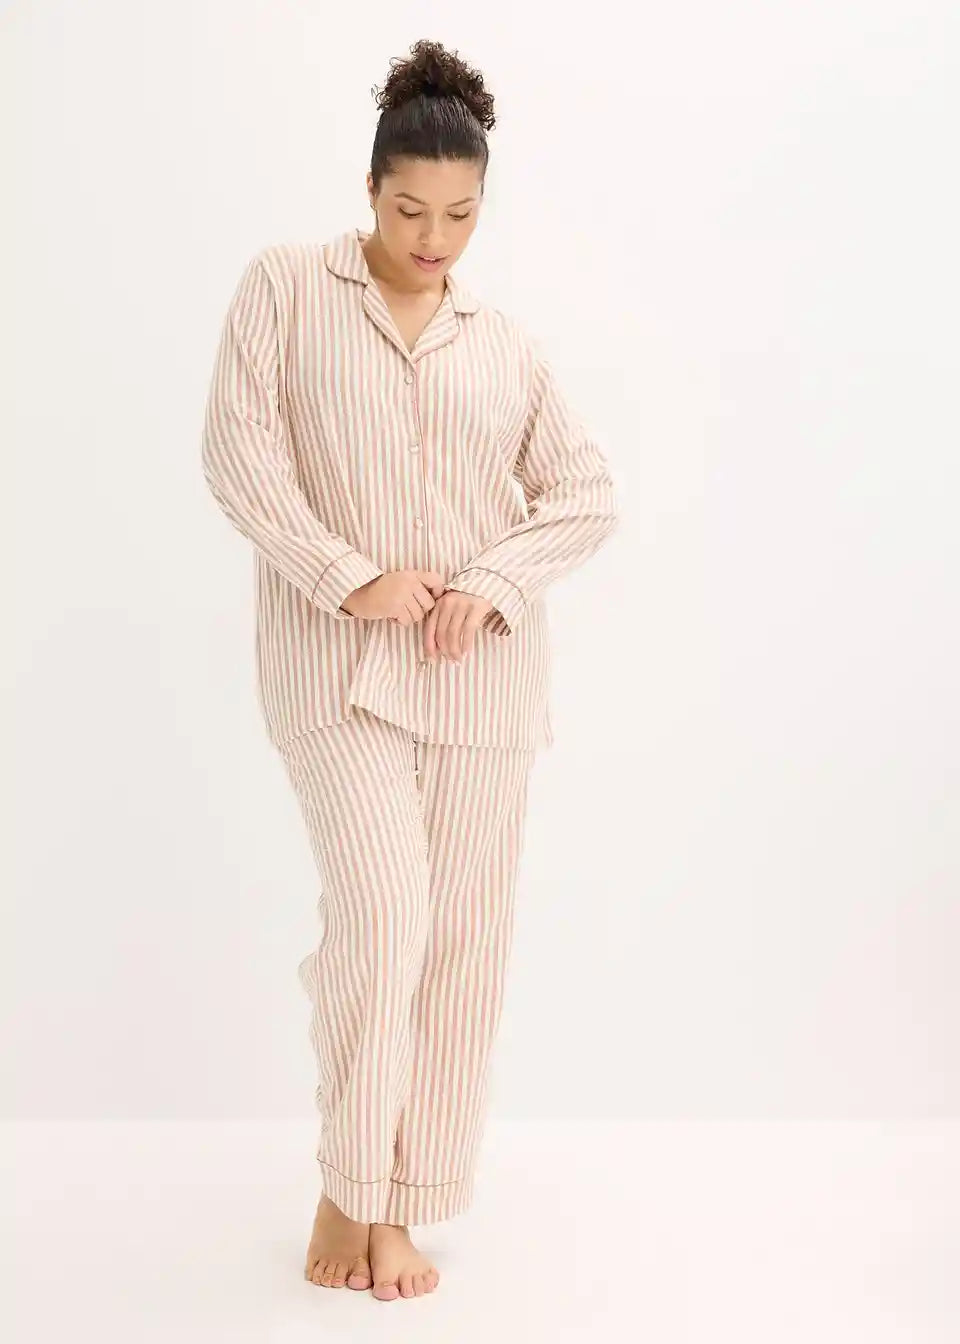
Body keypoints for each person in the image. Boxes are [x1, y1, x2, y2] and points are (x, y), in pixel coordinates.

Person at [200, 37, 620, 1303]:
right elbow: (239, 458)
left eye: (460, 215)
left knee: (460, 947)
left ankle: (407, 1197)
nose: (433, 238)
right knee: (385, 919)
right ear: (370, 189)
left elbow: (586, 494)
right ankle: (349, 1182)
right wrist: (348, 576)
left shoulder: (506, 345)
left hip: (479, 686)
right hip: (337, 667)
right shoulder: (285, 286)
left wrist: (492, 581)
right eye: (408, 210)